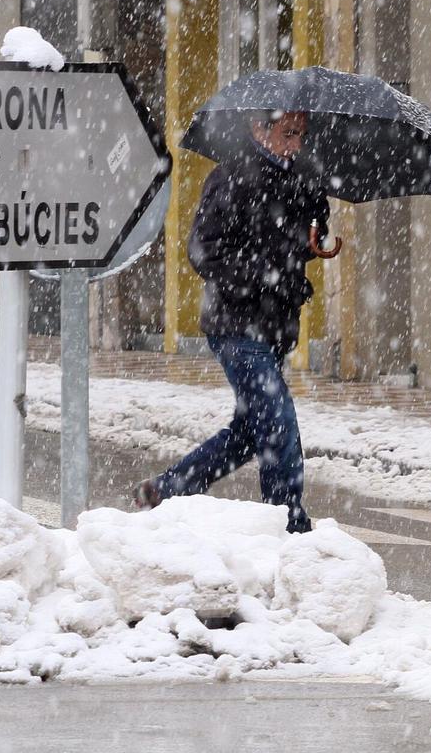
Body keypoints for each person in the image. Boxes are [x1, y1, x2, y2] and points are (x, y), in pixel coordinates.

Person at [132, 110, 327, 533]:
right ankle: (289, 526)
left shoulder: (301, 177)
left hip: (276, 329)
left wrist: (316, 228)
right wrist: (264, 278)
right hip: (237, 327)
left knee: (249, 434)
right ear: (259, 129)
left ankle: (166, 490)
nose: (295, 144)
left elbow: (302, 242)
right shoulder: (231, 176)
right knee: (277, 424)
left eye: (301, 135)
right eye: (288, 133)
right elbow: (203, 251)